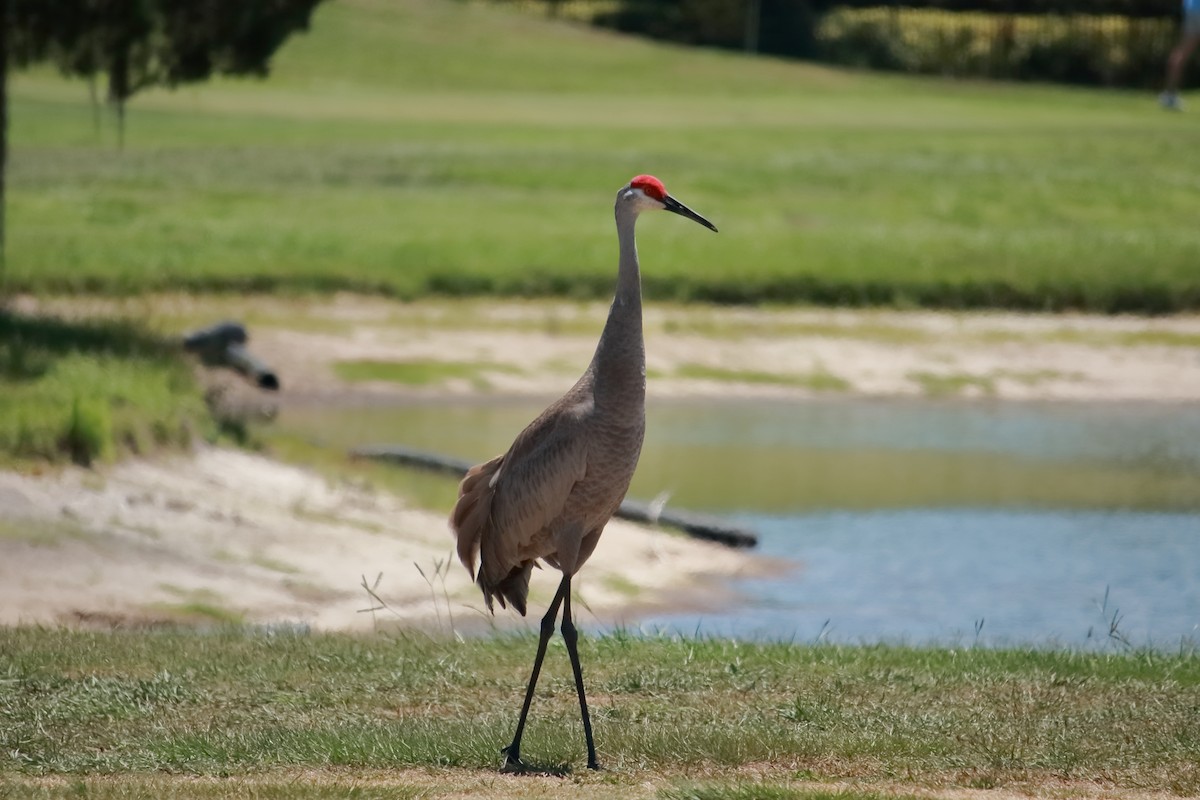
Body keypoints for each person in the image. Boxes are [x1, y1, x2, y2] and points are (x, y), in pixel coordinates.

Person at [1160, 0, 1200, 110]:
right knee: (1183, 51)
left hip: (1192, 7)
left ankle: (1169, 94)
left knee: (1182, 51)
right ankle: (1169, 95)